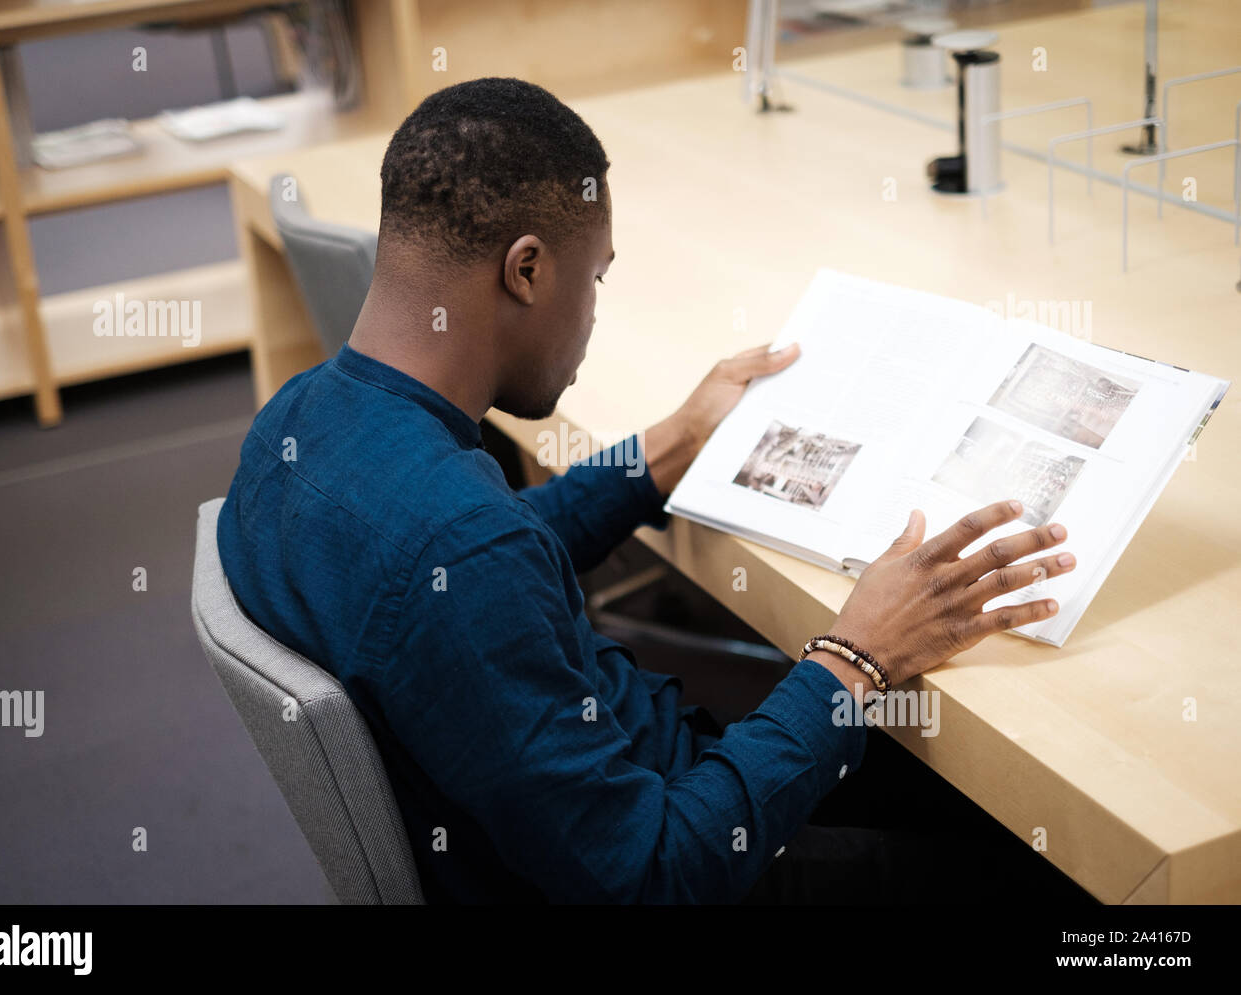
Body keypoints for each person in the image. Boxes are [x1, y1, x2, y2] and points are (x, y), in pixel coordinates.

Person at [217, 77, 1075, 903]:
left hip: (574, 805)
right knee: (1042, 866)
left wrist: (670, 445)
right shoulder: (462, 549)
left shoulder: (297, 425)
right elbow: (656, 873)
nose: (594, 311)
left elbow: (487, 558)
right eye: (594, 278)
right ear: (526, 270)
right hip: (669, 849)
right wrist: (857, 654)